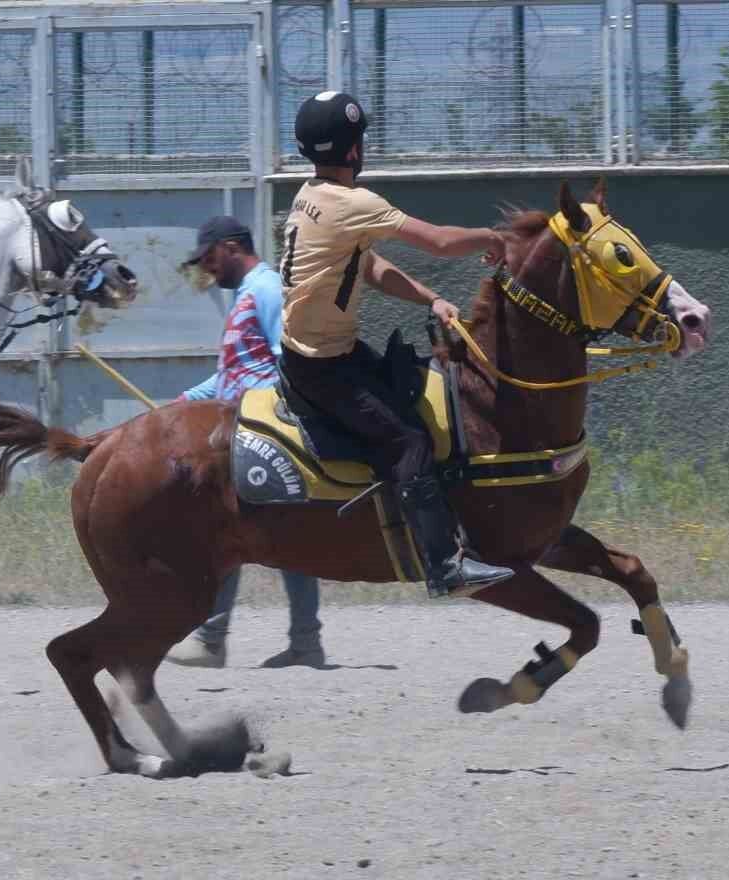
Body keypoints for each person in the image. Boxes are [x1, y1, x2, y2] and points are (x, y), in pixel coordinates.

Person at [278, 91, 513, 598]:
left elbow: (370, 267)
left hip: (317, 354)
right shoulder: (354, 203)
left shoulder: (309, 195)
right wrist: (494, 238)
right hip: (324, 367)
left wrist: (431, 300)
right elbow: (439, 242)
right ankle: (444, 566)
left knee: (411, 394)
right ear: (354, 151)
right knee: (408, 439)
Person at [164, 217, 325, 670]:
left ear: (232, 247)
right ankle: (303, 644)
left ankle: (213, 641)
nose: (207, 270)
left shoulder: (268, 288)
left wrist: (268, 416)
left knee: (225, 529)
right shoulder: (245, 296)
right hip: (243, 431)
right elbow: (232, 373)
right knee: (279, 536)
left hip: (264, 432)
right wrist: (184, 402)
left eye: (210, 258)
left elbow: (287, 359)